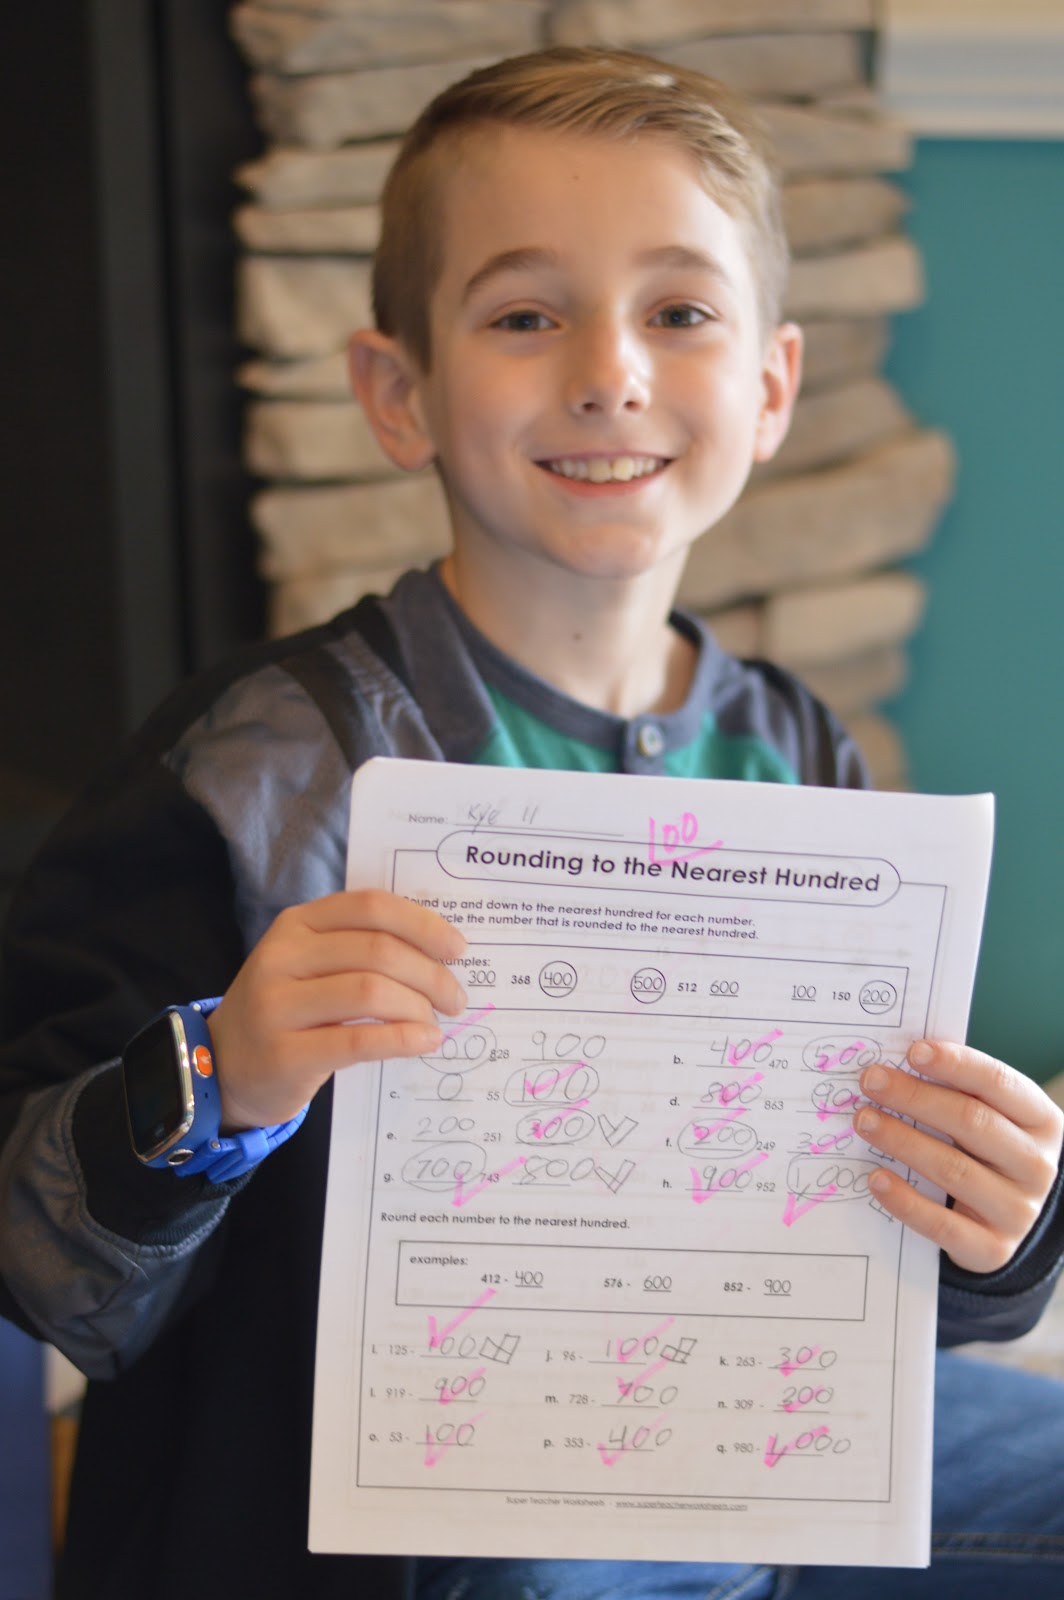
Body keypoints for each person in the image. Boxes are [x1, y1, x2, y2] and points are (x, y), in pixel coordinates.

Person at [1, 46, 1062, 1600]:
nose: (609, 371)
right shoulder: (252, 770)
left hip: (738, 1494)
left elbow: (874, 1264)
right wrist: (226, 1071)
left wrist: (998, 1225)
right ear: (399, 395)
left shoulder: (800, 757)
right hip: (380, 1539)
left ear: (772, 387)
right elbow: (43, 1272)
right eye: (523, 315)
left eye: (679, 312)